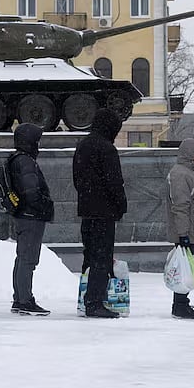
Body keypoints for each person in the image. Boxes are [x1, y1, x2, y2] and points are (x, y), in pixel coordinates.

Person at [72, 107, 127, 319]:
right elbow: (115, 182)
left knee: (90, 255)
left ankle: (86, 299)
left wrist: (88, 198)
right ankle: (94, 302)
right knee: (102, 259)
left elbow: (77, 180)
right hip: (104, 213)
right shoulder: (106, 149)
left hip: (87, 211)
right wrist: (120, 205)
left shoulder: (82, 146)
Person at [7, 123, 54, 316]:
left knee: (23, 257)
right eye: (36, 140)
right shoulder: (25, 161)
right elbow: (31, 191)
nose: (39, 144)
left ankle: (21, 297)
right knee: (28, 259)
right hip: (30, 216)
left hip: (24, 214)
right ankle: (24, 300)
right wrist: (44, 206)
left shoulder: (17, 159)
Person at [165, 138, 194, 320]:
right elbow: (180, 206)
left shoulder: (187, 173)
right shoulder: (182, 175)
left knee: (189, 269)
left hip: (190, 230)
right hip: (187, 232)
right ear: (191, 154)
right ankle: (180, 305)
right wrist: (183, 234)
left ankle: (182, 303)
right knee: (186, 270)